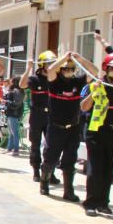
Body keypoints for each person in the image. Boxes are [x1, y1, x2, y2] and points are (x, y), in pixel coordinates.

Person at [39, 52, 99, 201]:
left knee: (70, 160)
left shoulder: (78, 82)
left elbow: (95, 72)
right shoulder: (54, 81)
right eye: (66, 69)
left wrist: (79, 59)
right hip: (55, 127)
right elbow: (51, 69)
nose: (68, 71)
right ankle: (44, 181)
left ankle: (68, 190)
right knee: (50, 159)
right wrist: (64, 58)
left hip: (73, 127)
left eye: (71, 69)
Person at [80, 53, 113, 216]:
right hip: (96, 131)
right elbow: (84, 107)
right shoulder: (97, 84)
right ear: (107, 69)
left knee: (109, 168)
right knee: (96, 167)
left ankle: (103, 202)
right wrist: (94, 93)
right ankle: (90, 202)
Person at [21, 51, 57, 183]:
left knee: (52, 146)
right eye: (49, 63)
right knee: (35, 145)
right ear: (42, 65)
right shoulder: (35, 79)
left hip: (51, 116)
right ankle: (36, 170)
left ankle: (49, 173)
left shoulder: (55, 79)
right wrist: (28, 68)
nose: (52, 66)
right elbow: (22, 85)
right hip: (37, 115)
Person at [3, 77, 24, 155]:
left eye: (11, 82)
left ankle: (16, 150)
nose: (10, 83)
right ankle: (9, 148)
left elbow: (16, 104)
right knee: (11, 132)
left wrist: (6, 102)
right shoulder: (16, 91)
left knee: (14, 132)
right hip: (11, 113)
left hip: (14, 114)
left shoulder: (17, 91)